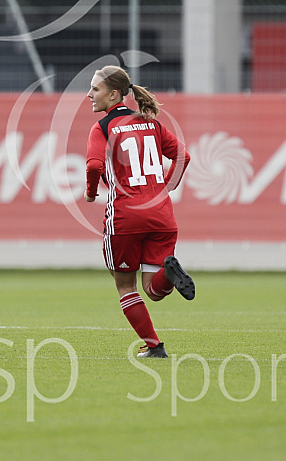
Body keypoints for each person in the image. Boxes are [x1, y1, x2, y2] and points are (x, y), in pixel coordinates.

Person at [84, 65, 195, 358]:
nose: (89, 94)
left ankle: (155, 347)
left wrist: (91, 192)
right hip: (161, 215)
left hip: (125, 218)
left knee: (125, 286)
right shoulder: (151, 123)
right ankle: (169, 274)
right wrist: (168, 188)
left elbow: (95, 166)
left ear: (114, 94)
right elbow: (184, 156)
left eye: (95, 89)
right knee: (154, 290)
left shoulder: (103, 127)